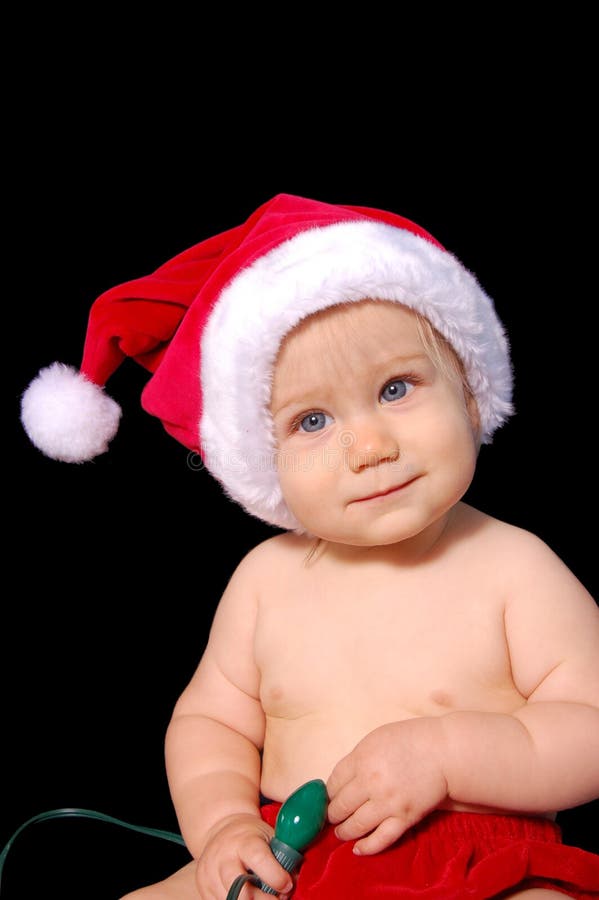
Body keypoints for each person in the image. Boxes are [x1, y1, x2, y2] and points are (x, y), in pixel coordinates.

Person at [21, 195, 599, 898]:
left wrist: (449, 756)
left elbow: (591, 726)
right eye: (313, 421)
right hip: (288, 865)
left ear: (471, 393)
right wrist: (224, 825)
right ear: (262, 462)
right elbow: (209, 722)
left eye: (396, 388)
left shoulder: (514, 567)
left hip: (475, 864)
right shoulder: (266, 581)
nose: (369, 447)